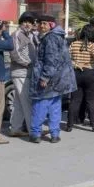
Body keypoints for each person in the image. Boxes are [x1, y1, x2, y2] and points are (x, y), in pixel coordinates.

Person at [29, 14, 76, 144]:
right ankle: (55, 134)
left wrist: (45, 77)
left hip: (49, 78)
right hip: (58, 78)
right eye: (40, 23)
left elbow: (50, 60)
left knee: (40, 105)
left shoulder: (50, 38)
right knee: (55, 106)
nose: (41, 26)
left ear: (51, 25)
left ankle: (35, 133)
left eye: (44, 23)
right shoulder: (57, 37)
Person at [66, 24, 94, 132]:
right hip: (90, 74)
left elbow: (67, 59)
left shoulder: (73, 44)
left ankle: (69, 124)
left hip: (76, 73)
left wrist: (75, 64)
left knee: (74, 100)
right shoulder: (92, 45)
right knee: (91, 101)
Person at [9, 12, 37, 137]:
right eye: (25, 22)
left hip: (27, 72)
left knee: (19, 103)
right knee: (27, 102)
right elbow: (14, 53)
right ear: (21, 23)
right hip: (21, 72)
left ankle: (15, 128)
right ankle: (34, 131)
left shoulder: (31, 35)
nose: (27, 24)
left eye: (30, 22)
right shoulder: (17, 34)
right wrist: (28, 63)